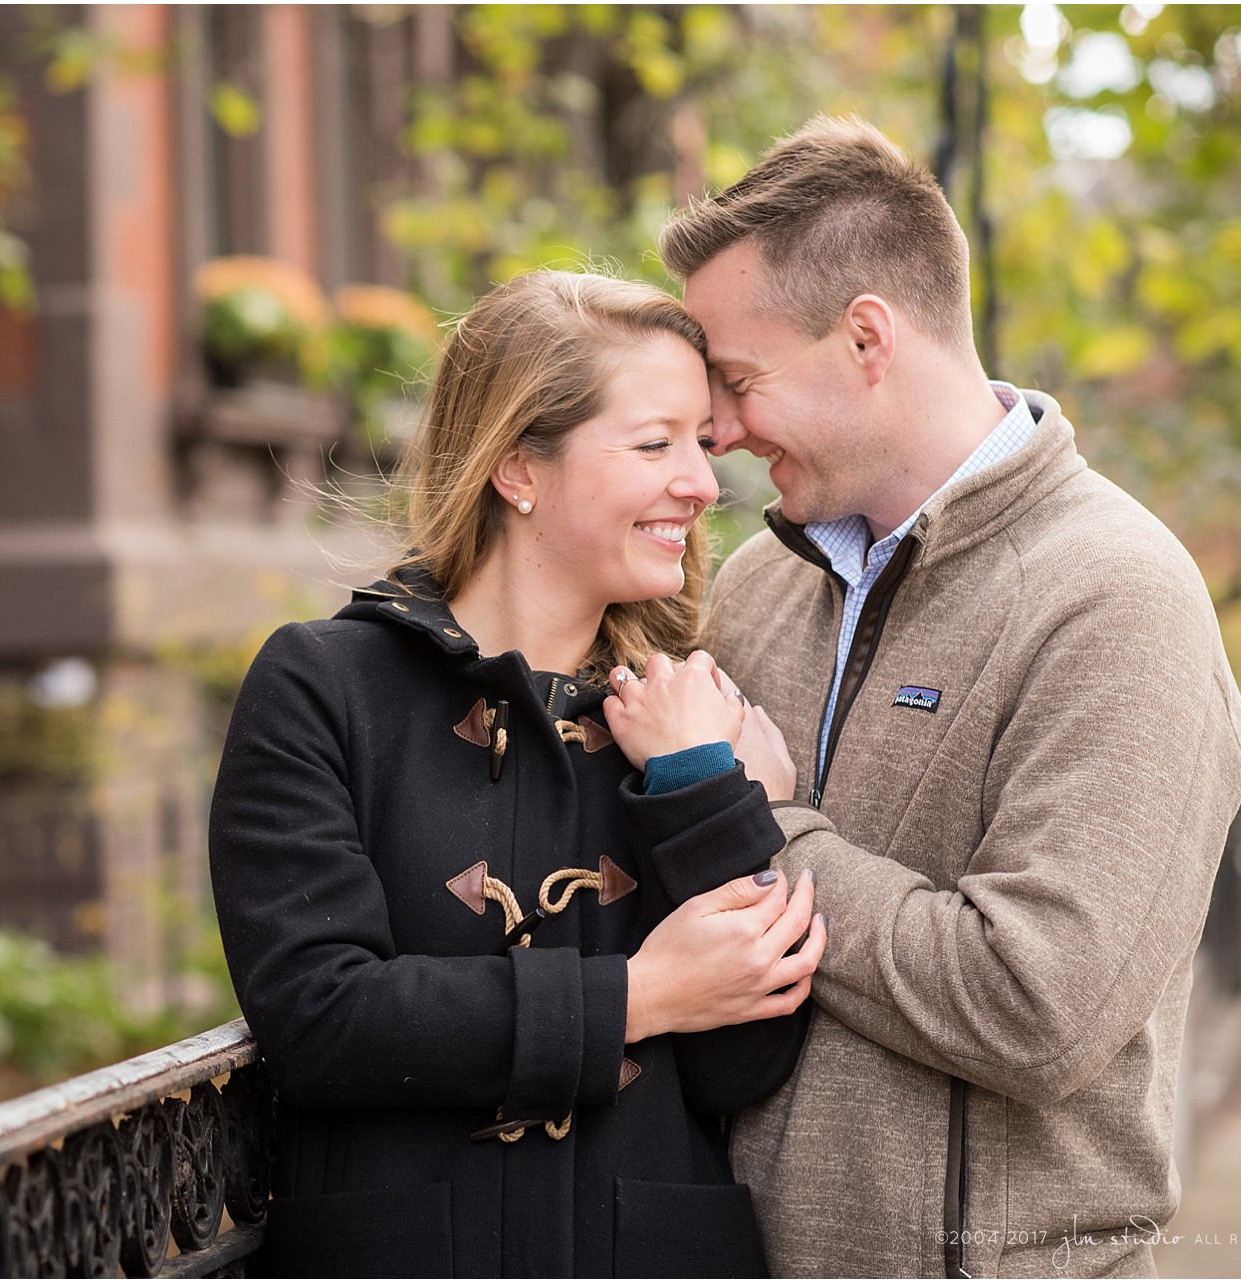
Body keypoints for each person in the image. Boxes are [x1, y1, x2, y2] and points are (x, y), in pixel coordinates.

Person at [635, 116, 1241, 1277]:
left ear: (868, 336)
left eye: (737, 379)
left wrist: (763, 824)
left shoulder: (1117, 600)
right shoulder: (758, 585)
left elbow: (1040, 1003)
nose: (715, 429)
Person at [209, 270, 827, 1278]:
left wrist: (708, 790)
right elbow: (320, 1016)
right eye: (654, 442)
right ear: (517, 469)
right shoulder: (324, 687)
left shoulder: (686, 717)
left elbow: (749, 1062)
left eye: (702, 444)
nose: (705, 485)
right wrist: (634, 995)